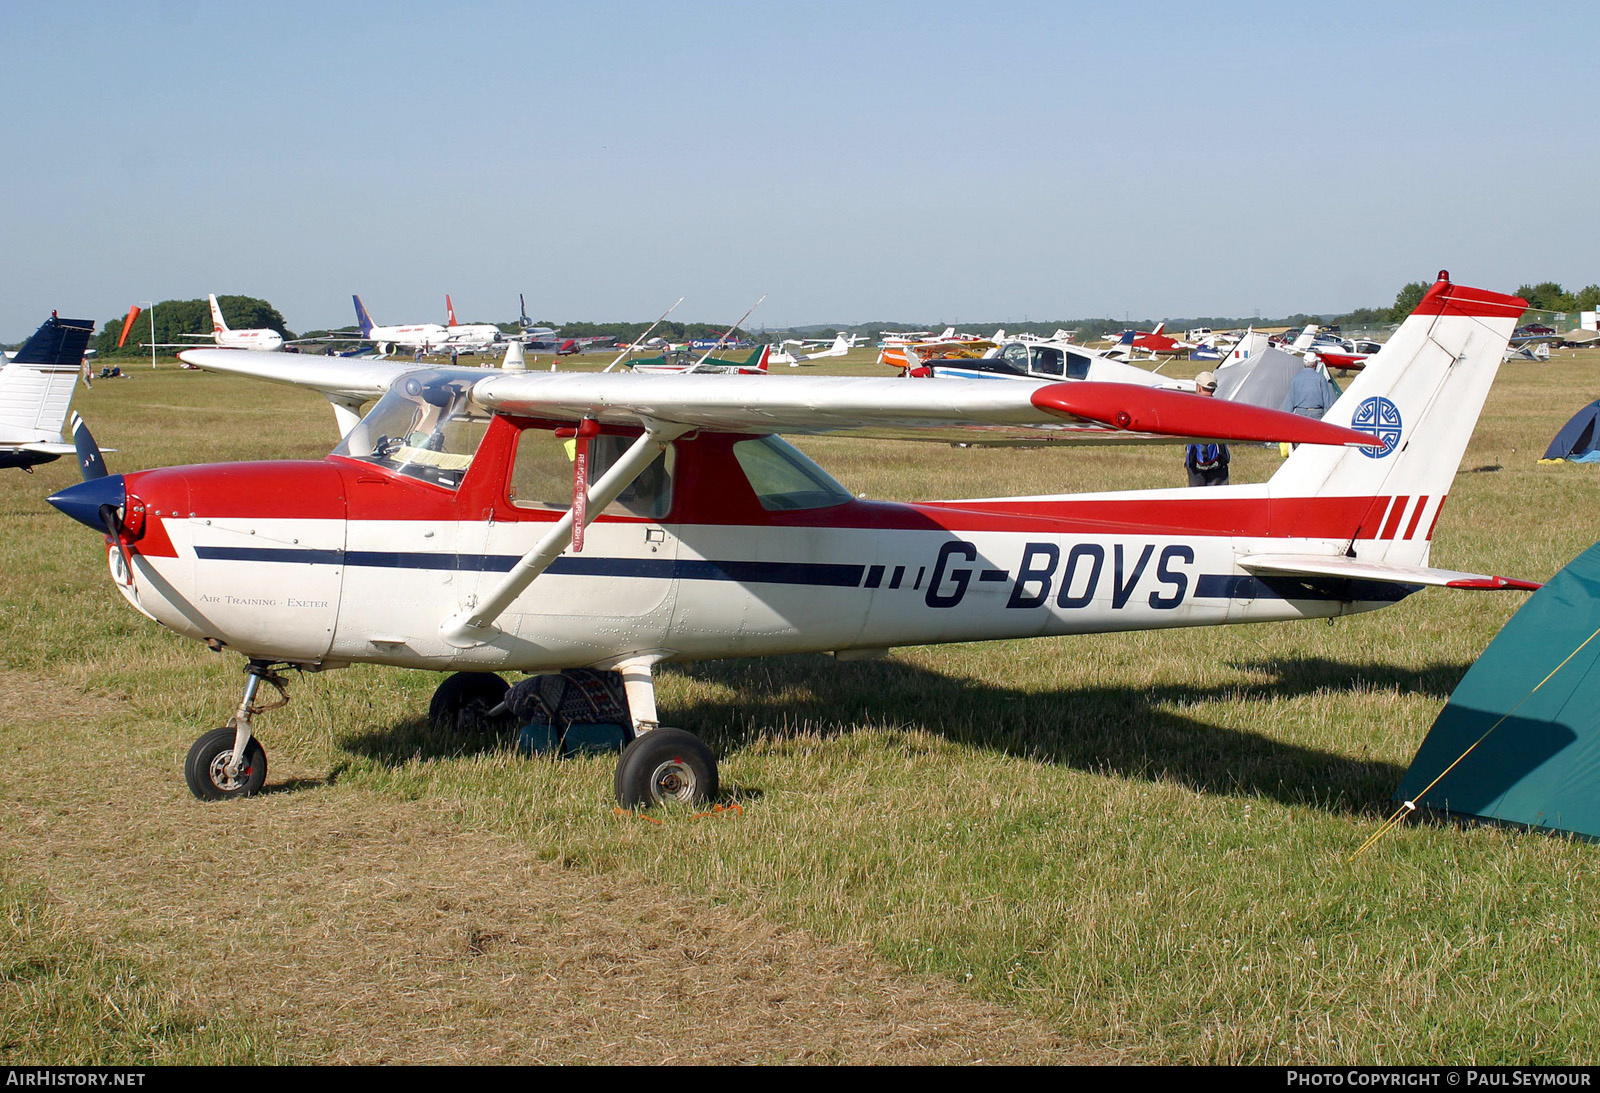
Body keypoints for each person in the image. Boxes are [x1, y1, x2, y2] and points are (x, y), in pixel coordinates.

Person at [1184, 371, 1229, 486]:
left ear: (1199, 387)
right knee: (1219, 501)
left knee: (1198, 501)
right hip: (1219, 463)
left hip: (1195, 464)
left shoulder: (1190, 407)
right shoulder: (1222, 407)